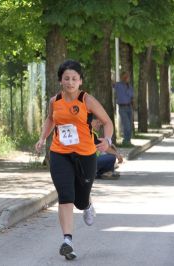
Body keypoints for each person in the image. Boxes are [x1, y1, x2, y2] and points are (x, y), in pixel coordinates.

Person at [35, 60, 113, 260]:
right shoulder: (55, 101)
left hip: (86, 154)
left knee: (79, 200)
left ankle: (87, 204)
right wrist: (43, 138)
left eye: (74, 79)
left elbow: (106, 121)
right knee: (65, 194)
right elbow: (51, 119)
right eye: (66, 78)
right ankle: (67, 240)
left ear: (80, 81)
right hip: (59, 153)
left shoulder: (86, 100)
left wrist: (107, 140)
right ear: (61, 80)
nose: (70, 82)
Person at [114, 71, 134, 145]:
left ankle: (128, 141)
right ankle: (125, 141)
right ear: (122, 77)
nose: (126, 78)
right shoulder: (118, 85)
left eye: (127, 77)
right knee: (127, 125)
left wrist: (132, 107)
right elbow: (112, 83)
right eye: (125, 77)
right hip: (122, 107)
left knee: (129, 125)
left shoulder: (130, 86)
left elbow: (132, 97)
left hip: (129, 107)